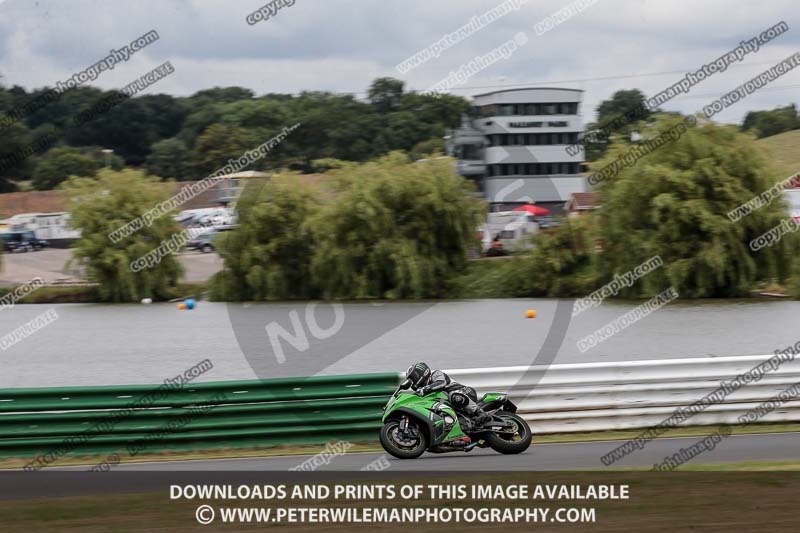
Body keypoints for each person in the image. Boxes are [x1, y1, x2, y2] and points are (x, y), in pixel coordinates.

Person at [405, 362, 492, 426]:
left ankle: (480, 412)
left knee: (454, 396)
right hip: (452, 404)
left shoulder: (435, 374)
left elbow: (441, 383)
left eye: (414, 377)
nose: (413, 381)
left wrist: (425, 389)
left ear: (422, 372)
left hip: (465, 392)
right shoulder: (424, 392)